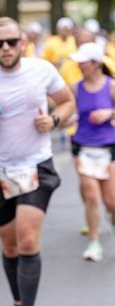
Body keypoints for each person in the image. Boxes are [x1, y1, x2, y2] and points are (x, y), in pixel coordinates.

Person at [0, 17, 74, 306]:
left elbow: (68, 103)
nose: (5, 48)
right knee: (10, 246)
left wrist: (54, 119)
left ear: (23, 42)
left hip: (36, 164)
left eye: (11, 42)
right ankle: (19, 299)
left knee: (28, 240)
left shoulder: (42, 70)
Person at [68, 42, 115, 262]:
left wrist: (110, 113)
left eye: (83, 62)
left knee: (111, 200)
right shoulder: (76, 87)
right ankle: (94, 242)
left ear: (96, 64)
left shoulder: (111, 86)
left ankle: (111, 221)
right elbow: (65, 108)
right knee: (92, 195)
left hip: (108, 147)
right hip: (82, 146)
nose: (79, 65)